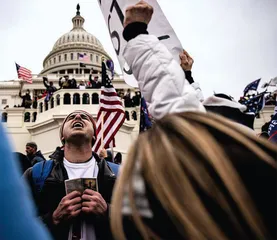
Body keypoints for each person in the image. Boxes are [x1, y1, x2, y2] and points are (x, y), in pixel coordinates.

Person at [24, 110, 116, 240]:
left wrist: (108, 212)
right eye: (71, 117)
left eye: (84, 117)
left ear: (94, 136)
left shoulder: (117, 175)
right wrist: (53, 218)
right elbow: (15, 222)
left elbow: (140, 223)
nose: (78, 117)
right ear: (62, 136)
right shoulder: (36, 173)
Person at [0, 122, 51, 240]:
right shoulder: (33, 161)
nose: (26, 150)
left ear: (34, 149)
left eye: (28, 148)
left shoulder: (37, 163)